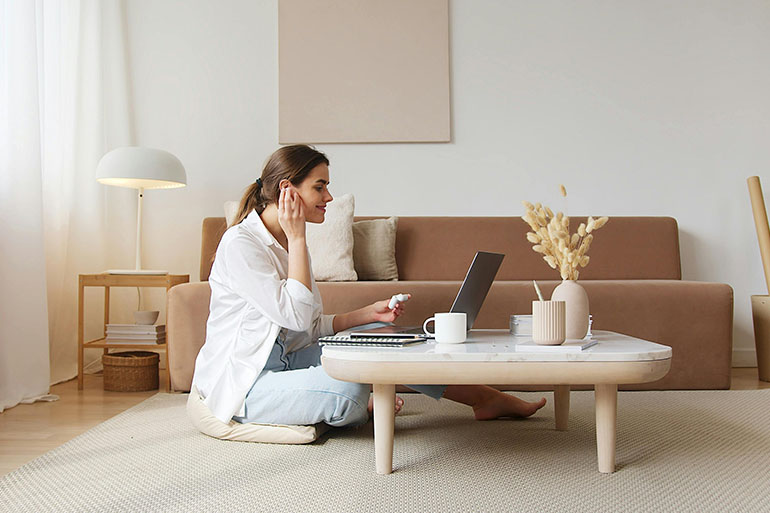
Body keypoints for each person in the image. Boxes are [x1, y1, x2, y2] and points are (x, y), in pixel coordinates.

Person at [191, 144, 546, 428]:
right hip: (247, 382)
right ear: (288, 190)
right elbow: (298, 319)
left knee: (386, 340)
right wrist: (298, 239)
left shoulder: (289, 244)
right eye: (320, 186)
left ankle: (484, 398)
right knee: (350, 387)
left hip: (290, 359)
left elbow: (310, 328)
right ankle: (367, 397)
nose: (329, 197)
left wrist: (366, 315)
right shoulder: (242, 245)